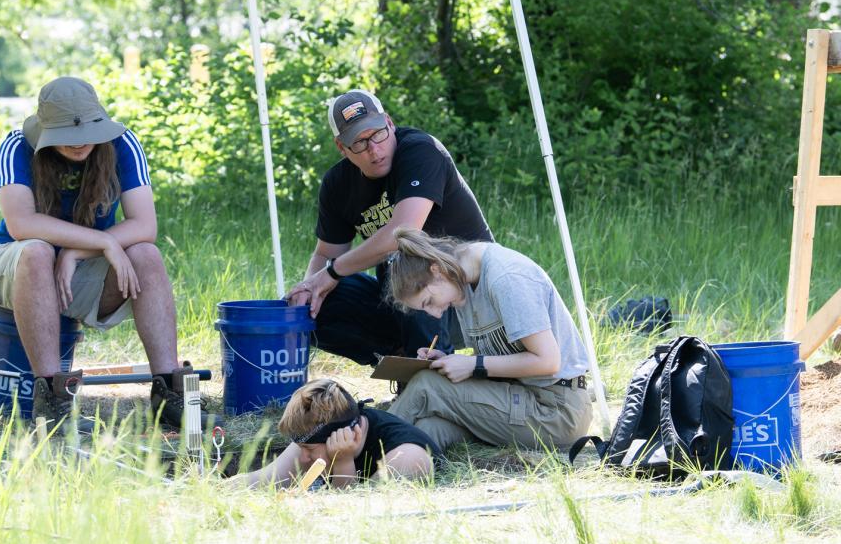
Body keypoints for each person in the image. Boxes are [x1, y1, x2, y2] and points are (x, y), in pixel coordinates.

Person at [0, 76, 193, 428]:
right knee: (37, 252)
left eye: (89, 131)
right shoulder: (16, 145)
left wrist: (75, 252)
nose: (81, 143)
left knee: (147, 255)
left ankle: (169, 394)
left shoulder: (123, 143)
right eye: (67, 136)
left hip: (79, 272)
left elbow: (144, 225)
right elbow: (20, 225)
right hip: (12, 268)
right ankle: (52, 400)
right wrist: (103, 241)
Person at [286, 89, 492, 366]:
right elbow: (325, 254)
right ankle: (405, 362)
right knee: (313, 308)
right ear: (341, 147)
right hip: (405, 299)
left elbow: (403, 231)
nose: (374, 149)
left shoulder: (421, 150)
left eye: (377, 134)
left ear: (390, 123)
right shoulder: (337, 184)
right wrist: (311, 289)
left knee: (409, 259)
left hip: (471, 296)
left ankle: (433, 383)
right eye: (359, 143)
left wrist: (332, 272)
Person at [384, 228, 594, 450]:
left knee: (427, 385)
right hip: (516, 398)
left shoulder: (506, 278)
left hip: (556, 410)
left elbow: (548, 362)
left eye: (428, 302)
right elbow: (501, 357)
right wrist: (449, 361)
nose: (436, 314)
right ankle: (378, 471)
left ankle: (365, 451)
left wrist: (474, 365)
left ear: (437, 271)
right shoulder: (460, 283)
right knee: (429, 427)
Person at [231, 379, 438, 488]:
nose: (303, 457)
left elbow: (355, 515)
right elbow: (262, 481)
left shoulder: (408, 458)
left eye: (308, 449)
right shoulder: (315, 436)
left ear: (345, 435)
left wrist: (343, 463)